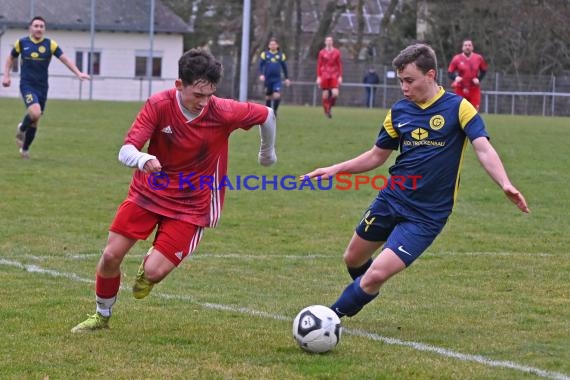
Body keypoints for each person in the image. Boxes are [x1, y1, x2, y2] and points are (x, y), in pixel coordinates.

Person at [302, 43, 529, 319]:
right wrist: (335, 169)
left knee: (376, 274)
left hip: (426, 214)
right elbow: (376, 156)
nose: (404, 87)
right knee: (353, 259)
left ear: (430, 75)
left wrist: (504, 182)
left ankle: (328, 317)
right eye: (400, 81)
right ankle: (364, 288)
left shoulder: (459, 108)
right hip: (391, 198)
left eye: (409, 80)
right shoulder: (399, 112)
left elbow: (483, 147)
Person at [70, 48, 277, 332]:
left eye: (209, 95)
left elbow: (267, 114)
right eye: (197, 95)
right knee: (109, 256)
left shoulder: (222, 110)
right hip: (149, 192)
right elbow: (126, 150)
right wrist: (143, 159)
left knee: (154, 272)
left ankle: (149, 270)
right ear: (179, 85)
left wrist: (267, 153)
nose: (204, 103)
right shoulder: (159, 104)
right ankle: (101, 315)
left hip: (193, 203)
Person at [2, 16, 90, 159]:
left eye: (41, 26)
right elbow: (10, 58)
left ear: (44, 29)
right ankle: (21, 128)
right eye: (36, 26)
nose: (39, 29)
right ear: (30, 28)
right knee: (35, 113)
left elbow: (65, 59)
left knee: (35, 121)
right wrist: (6, 75)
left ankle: (24, 149)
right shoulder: (22, 43)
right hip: (27, 85)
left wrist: (78, 72)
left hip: (42, 87)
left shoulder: (50, 44)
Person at [447, 39, 488, 110]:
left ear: (472, 47)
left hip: (474, 89)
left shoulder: (478, 58)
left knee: (474, 111)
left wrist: (478, 79)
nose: (467, 47)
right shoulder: (457, 58)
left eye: (469, 45)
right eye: (465, 45)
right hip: (460, 88)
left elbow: (484, 70)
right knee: (459, 110)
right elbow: (450, 72)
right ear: (462, 47)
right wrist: (455, 77)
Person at [258, 38, 290, 116]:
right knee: (268, 97)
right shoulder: (264, 54)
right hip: (268, 79)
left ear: (277, 45)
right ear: (269, 46)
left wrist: (286, 78)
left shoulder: (281, 55)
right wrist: (261, 74)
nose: (272, 46)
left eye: (274, 44)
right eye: (271, 44)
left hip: (277, 79)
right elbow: (260, 66)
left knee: (276, 95)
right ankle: (268, 114)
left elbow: (284, 67)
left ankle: (274, 112)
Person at [316, 36, 343, 118]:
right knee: (325, 95)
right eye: (327, 40)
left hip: (334, 74)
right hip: (324, 74)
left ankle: (329, 108)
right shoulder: (322, 53)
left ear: (332, 42)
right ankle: (327, 111)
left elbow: (339, 65)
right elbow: (319, 65)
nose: (329, 42)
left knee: (335, 94)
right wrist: (318, 77)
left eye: (330, 40)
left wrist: (340, 76)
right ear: (325, 42)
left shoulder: (337, 52)